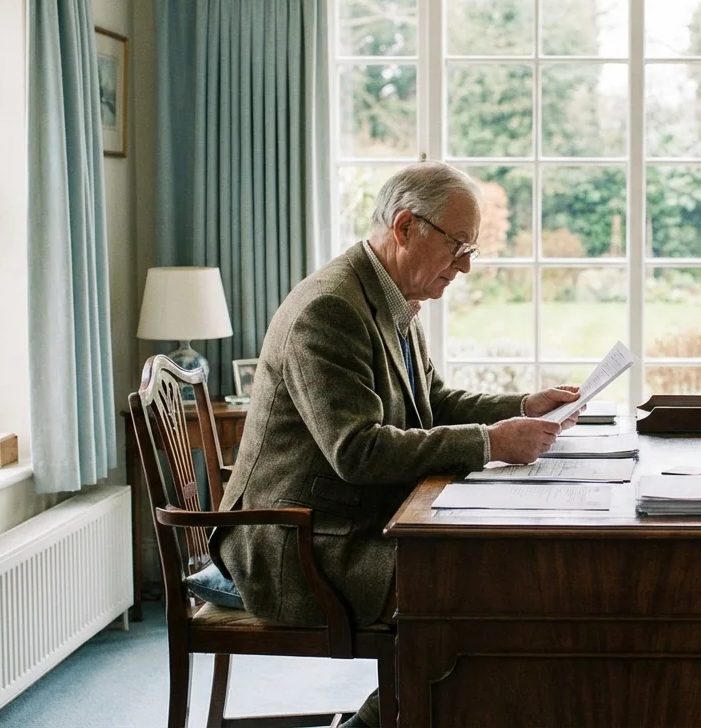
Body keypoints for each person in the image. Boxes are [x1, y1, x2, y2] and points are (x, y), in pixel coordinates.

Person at [210, 162, 581, 727]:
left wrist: (521, 407)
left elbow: (431, 401)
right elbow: (356, 451)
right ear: (406, 226)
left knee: (495, 576)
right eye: (458, 246)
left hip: (350, 523)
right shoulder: (329, 310)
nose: (466, 266)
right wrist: (489, 443)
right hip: (295, 544)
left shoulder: (392, 294)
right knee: (482, 592)